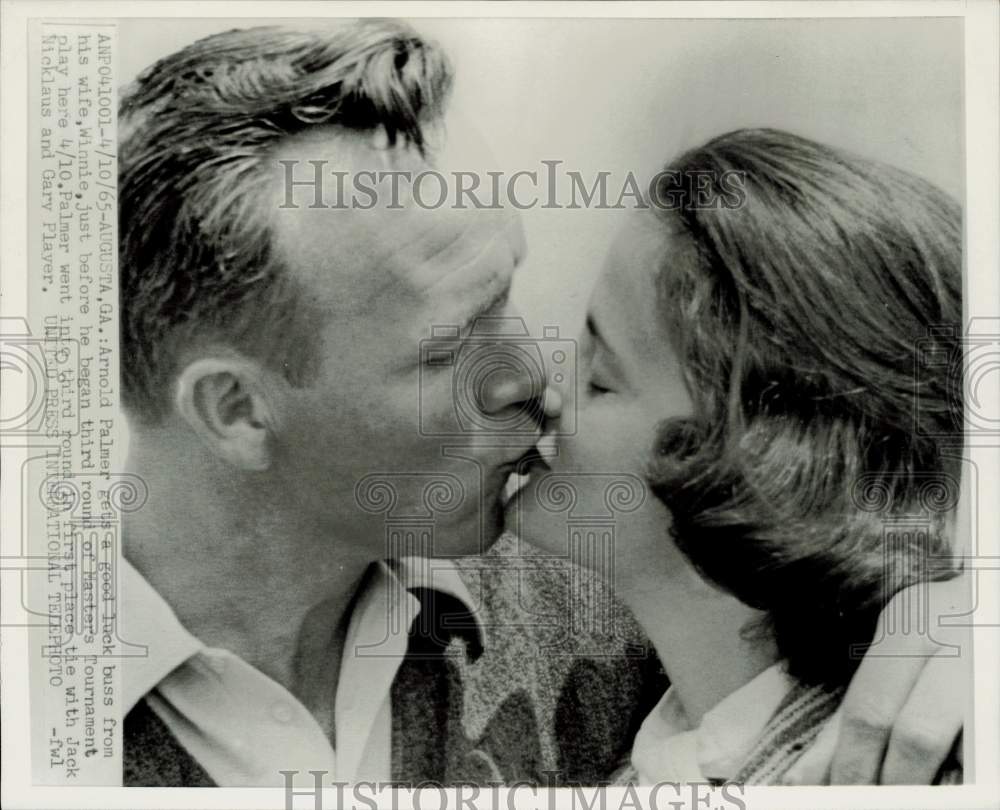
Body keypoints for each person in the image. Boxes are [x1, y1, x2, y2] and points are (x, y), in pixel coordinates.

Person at [118, 21, 964, 786]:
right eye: (450, 347)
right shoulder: (45, 713)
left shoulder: (618, 578)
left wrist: (960, 631)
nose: (531, 374)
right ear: (235, 411)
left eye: (507, 290)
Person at [507, 127, 968, 784]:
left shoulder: (896, 772)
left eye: (601, 378)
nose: (544, 396)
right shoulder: (666, 741)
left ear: (765, 469)